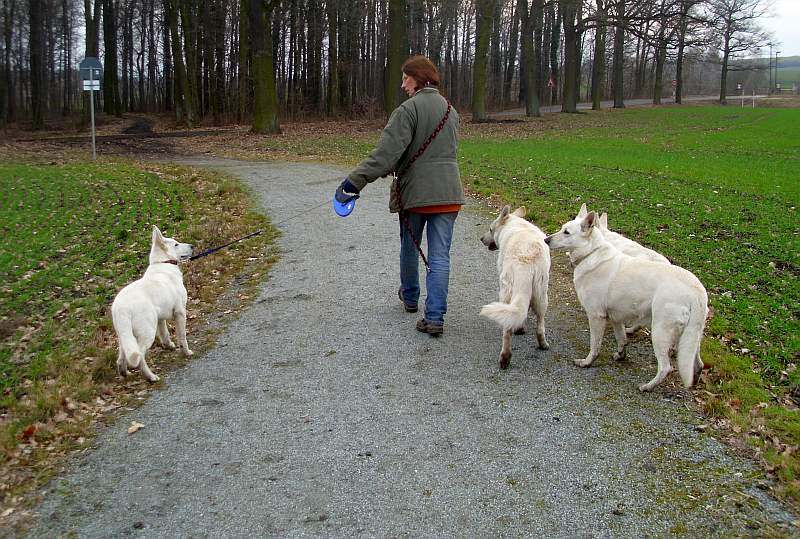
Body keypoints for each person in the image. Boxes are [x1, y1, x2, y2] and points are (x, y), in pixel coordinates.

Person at [335, 55, 464, 336]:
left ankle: (410, 297)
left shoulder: (407, 111)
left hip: (416, 194)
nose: (403, 84)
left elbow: (385, 155)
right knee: (440, 256)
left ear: (418, 78)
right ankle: (434, 317)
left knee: (410, 244)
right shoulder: (451, 110)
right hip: (449, 193)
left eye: (406, 78)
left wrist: (353, 183)